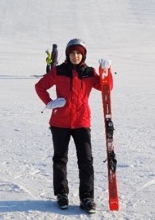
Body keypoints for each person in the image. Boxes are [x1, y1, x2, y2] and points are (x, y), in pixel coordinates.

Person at [35, 38, 102, 214]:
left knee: (86, 160)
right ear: (67, 54)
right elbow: (40, 86)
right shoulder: (59, 71)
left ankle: (87, 197)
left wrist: (106, 72)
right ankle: (62, 194)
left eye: (79, 53)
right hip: (60, 122)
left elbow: (105, 87)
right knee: (60, 159)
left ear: (83, 54)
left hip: (81, 122)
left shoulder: (89, 72)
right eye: (72, 53)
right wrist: (50, 102)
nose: (75, 56)